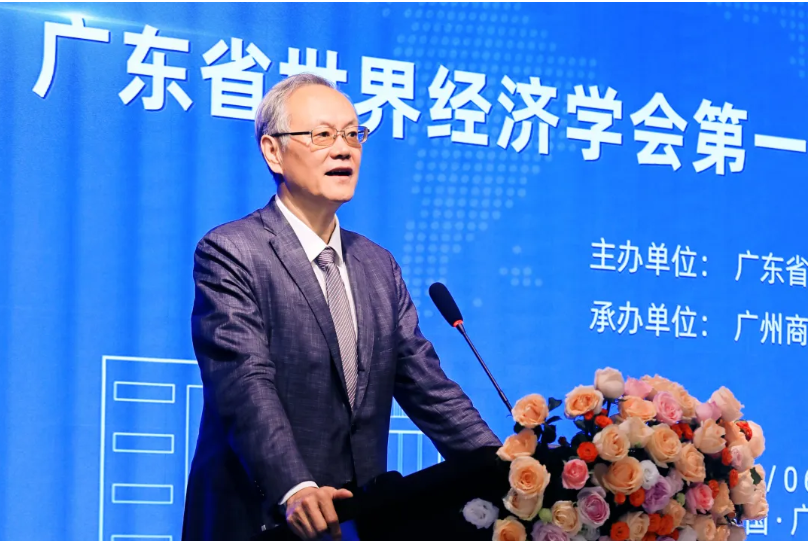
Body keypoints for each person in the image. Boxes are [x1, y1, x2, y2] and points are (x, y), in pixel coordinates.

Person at [182, 73, 500, 541]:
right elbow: (244, 384)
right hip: (259, 519)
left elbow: (428, 387)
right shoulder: (232, 251)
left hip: (360, 521)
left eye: (353, 134)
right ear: (273, 151)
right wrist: (296, 487)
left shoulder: (377, 265)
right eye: (323, 135)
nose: (344, 149)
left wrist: (506, 467)